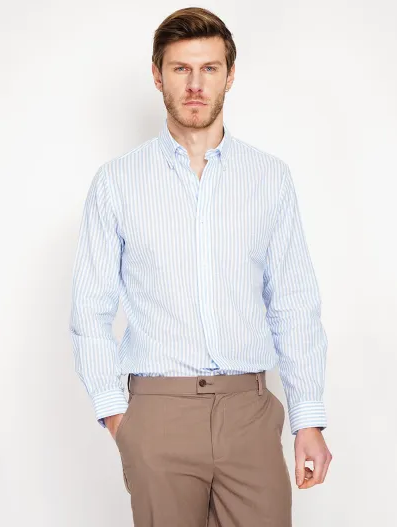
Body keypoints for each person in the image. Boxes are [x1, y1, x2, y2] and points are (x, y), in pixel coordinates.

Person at [69, 6, 332, 526]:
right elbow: (89, 308)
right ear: (157, 75)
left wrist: (308, 419)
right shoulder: (117, 183)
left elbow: (294, 304)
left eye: (209, 68)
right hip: (157, 413)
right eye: (181, 69)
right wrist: (119, 419)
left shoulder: (269, 179)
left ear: (229, 76)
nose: (195, 84)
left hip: (249, 413)